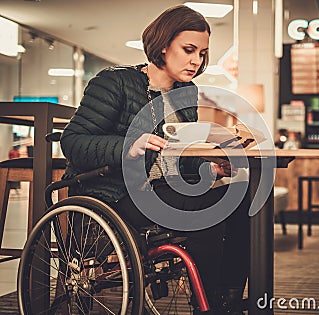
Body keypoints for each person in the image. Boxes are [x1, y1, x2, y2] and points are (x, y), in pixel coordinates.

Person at [61, 5, 249, 314]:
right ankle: (212, 303)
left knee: (245, 195)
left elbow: (178, 154)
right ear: (163, 45)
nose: (196, 60)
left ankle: (226, 296)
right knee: (208, 207)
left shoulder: (186, 93)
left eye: (202, 53)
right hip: (111, 194)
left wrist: (209, 168)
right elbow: (73, 142)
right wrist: (128, 145)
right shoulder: (114, 83)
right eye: (189, 50)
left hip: (161, 191)